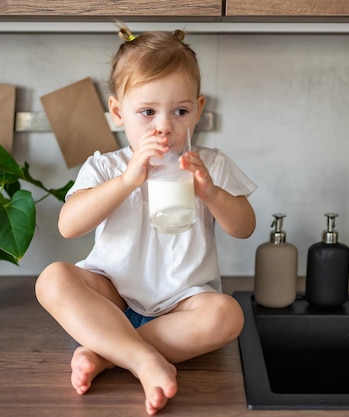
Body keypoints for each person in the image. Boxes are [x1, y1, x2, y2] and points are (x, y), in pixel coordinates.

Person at [35, 24, 257, 416]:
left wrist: (211, 193)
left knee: (227, 315)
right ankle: (141, 359)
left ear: (199, 110)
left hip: (182, 303)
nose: (164, 126)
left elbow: (244, 227)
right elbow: (69, 225)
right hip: (112, 296)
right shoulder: (106, 165)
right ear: (119, 112)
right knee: (53, 278)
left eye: (180, 111)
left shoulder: (209, 164)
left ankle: (107, 352)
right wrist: (126, 181)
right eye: (147, 112)